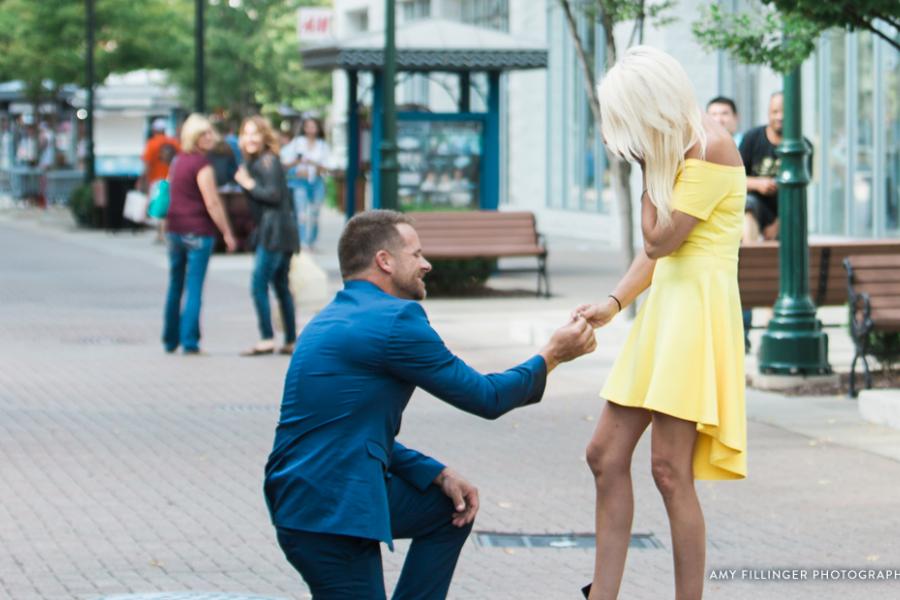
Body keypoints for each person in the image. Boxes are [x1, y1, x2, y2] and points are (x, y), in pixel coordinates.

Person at [264, 209, 597, 599]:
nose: (426, 263)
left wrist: (437, 474)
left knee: (446, 511)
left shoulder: (329, 319)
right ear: (384, 261)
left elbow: (349, 431)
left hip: (308, 493)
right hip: (330, 510)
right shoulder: (395, 320)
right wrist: (552, 356)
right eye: (415, 254)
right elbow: (487, 397)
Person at [575, 46, 747, 600]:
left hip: (696, 317)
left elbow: (658, 238)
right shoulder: (675, 150)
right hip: (667, 311)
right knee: (604, 453)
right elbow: (657, 255)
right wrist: (614, 302)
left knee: (670, 471)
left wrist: (650, 160)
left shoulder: (711, 146)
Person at [162, 114, 237, 354]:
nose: (209, 137)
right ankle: (190, 341)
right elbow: (212, 202)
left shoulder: (178, 161)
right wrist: (227, 232)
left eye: (209, 133)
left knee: (175, 285)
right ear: (194, 137)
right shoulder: (202, 165)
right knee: (193, 287)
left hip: (175, 229)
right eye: (204, 133)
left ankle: (170, 339)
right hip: (197, 231)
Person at [234, 116, 300, 357]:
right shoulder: (258, 162)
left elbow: (272, 196)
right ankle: (290, 339)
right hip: (281, 231)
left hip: (274, 232)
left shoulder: (267, 161)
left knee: (258, 284)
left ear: (265, 137)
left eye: (255, 133)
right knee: (281, 285)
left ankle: (266, 338)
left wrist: (248, 183)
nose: (250, 138)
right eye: (246, 133)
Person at [707, 96, 752, 352]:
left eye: (724, 113)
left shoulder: (743, 145)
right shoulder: (705, 149)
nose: (719, 119)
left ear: (735, 119)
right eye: (713, 114)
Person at [282, 117, 330, 249]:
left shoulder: (322, 145)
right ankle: (302, 242)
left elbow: (326, 168)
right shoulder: (297, 143)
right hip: (300, 182)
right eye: (308, 126)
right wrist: (297, 164)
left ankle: (311, 241)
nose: (310, 129)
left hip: (317, 181)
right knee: (301, 213)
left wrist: (312, 163)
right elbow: (285, 162)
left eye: (313, 126)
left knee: (314, 213)